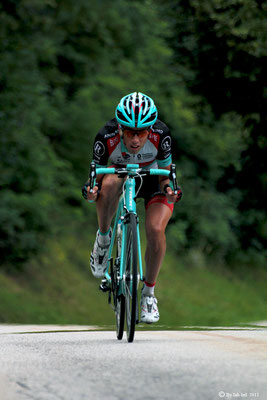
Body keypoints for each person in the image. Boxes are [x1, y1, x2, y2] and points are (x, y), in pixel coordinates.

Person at [82, 92, 182, 324]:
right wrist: (91, 191)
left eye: (142, 133)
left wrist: (170, 190)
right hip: (120, 175)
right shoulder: (105, 136)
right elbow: (95, 178)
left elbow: (166, 177)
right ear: (120, 130)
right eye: (129, 132)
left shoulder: (161, 134)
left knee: (156, 230)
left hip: (153, 179)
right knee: (108, 183)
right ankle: (104, 239)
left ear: (150, 130)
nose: (136, 140)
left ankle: (148, 293)